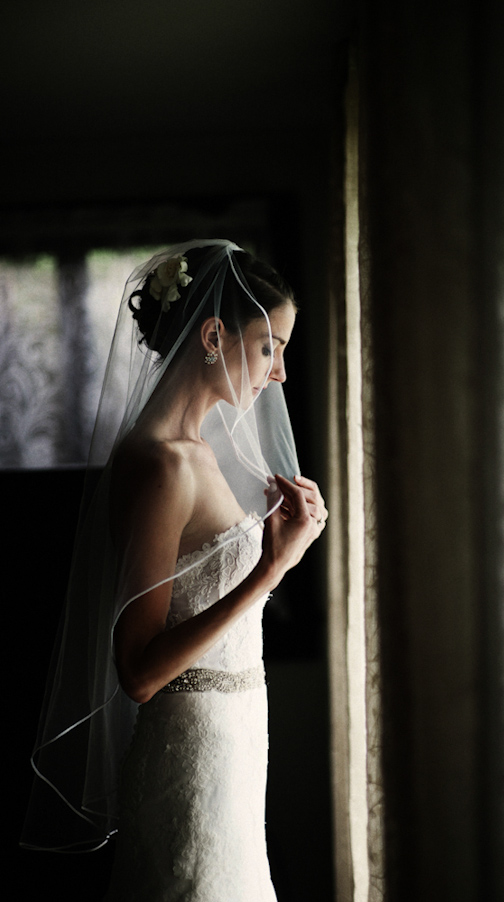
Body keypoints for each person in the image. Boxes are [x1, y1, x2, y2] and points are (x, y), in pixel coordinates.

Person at [21, 239, 327, 902]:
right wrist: (270, 568)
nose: (279, 373)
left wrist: (280, 537)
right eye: (271, 344)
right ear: (214, 335)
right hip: (192, 753)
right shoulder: (160, 463)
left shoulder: (203, 454)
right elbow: (138, 672)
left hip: (239, 735)